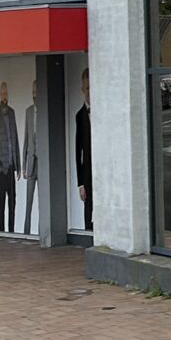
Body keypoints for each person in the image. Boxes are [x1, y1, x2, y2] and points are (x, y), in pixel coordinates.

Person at [0, 80, 20, 232]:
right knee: (2, 201)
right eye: (2, 94)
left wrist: (18, 165)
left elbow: (15, 140)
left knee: (12, 201)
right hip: (2, 168)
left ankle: (12, 231)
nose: (4, 96)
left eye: (6, 93)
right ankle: (2, 231)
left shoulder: (12, 113)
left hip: (12, 166)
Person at [20, 77, 41, 233]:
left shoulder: (44, 111)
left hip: (42, 163)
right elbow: (26, 141)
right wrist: (23, 166)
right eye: (33, 91)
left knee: (42, 203)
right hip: (30, 164)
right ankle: (26, 232)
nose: (34, 94)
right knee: (28, 202)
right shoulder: (28, 111)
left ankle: (42, 232)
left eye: (36, 91)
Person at [76, 67, 93, 232]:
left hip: (101, 171)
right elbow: (78, 152)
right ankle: (88, 234)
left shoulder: (102, 111)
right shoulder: (79, 116)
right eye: (87, 88)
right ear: (82, 89)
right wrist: (80, 183)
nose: (90, 92)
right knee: (88, 206)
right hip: (87, 172)